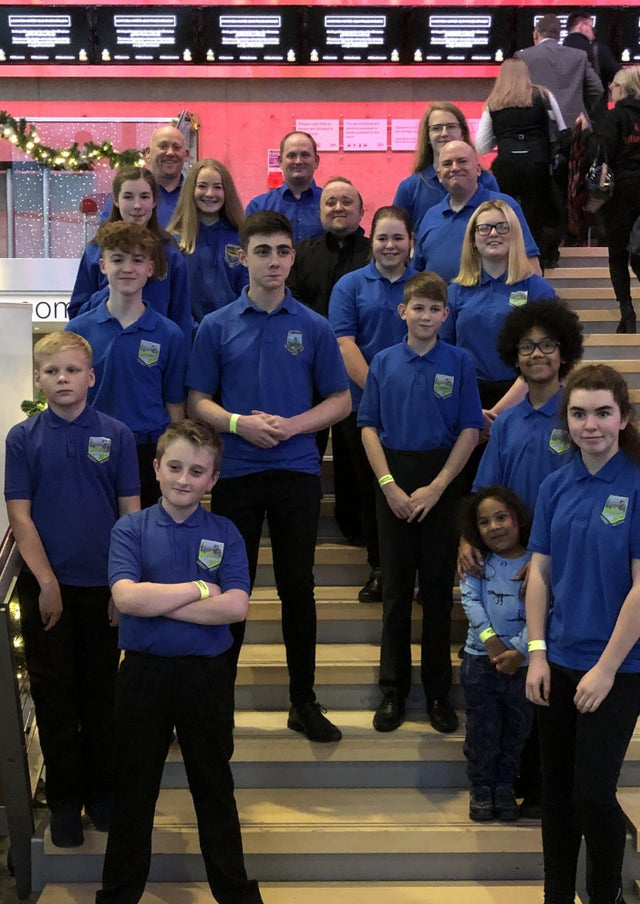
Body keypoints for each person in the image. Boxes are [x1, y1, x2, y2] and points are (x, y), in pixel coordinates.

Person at [186, 211, 351, 742]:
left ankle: (303, 702)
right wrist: (239, 424)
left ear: (292, 257)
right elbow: (197, 401)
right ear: (243, 257)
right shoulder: (216, 326)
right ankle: (216, 706)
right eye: (263, 252)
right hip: (234, 475)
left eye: (282, 251)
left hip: (296, 473)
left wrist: (291, 427)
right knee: (231, 590)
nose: (274, 262)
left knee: (297, 590)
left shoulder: (314, 326)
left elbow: (342, 400)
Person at [96, 420, 263, 904]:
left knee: (213, 786)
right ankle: (119, 893)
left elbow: (235, 607)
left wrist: (160, 600)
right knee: (134, 789)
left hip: (205, 677)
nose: (183, 479)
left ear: (212, 480)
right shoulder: (130, 528)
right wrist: (197, 589)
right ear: (156, 468)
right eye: (174, 467)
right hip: (142, 675)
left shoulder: (225, 532)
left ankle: (233, 892)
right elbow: (126, 597)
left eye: (197, 471)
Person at [5, 332, 140, 848]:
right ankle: (63, 801)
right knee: (55, 696)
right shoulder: (23, 438)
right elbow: (20, 515)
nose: (62, 379)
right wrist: (45, 582)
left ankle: (102, 794)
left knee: (102, 696)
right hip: (46, 591)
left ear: (91, 377)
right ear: (38, 379)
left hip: (104, 589)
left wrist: (121, 584)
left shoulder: (118, 434)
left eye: (71, 370)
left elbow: (131, 514)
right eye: (52, 371)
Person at [458, 299, 584, 820]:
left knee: (550, 678)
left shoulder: (576, 416)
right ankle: (498, 783)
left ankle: (542, 785)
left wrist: (545, 553)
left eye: (547, 345)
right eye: (528, 346)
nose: (537, 354)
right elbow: (484, 490)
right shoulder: (506, 424)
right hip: (507, 566)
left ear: (563, 353)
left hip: (562, 563)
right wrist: (467, 539)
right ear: (515, 354)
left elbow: (582, 491)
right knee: (506, 687)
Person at [526, 363, 640, 904]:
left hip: (619, 668)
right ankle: (555, 895)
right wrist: (537, 653)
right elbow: (541, 573)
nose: (589, 424)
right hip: (560, 661)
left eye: (602, 412)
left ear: (623, 418)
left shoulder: (637, 485)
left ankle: (604, 895)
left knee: (593, 793)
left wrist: (606, 668)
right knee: (557, 795)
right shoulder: (555, 483)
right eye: (578, 413)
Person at [359, 271, 483, 734]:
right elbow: (368, 426)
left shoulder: (460, 362)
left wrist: (438, 487)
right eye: (419, 308)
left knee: (435, 593)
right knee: (395, 593)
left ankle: (436, 693)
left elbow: (470, 429)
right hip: (393, 476)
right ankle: (393, 691)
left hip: (442, 479)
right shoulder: (383, 362)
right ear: (402, 311)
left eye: (435, 309)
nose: (426, 316)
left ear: (445, 314)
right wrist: (389, 485)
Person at [329, 205, 417, 603]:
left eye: (398, 237)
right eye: (382, 237)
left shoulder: (427, 285)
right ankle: (380, 567)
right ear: (372, 241)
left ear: (411, 242)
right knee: (373, 489)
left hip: (419, 407)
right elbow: (344, 342)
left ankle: (416, 572)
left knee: (415, 487)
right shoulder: (350, 286)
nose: (390, 245)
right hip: (364, 406)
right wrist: (382, 393)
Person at [67, 222, 187, 508]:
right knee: (96, 534)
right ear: (103, 265)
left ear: (150, 268)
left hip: (148, 450)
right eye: (118, 259)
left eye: (137, 260)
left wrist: (176, 455)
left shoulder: (169, 334)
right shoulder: (78, 330)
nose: (127, 268)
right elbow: (69, 401)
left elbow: (175, 405)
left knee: (146, 538)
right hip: (92, 445)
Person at [287, 176, 370, 544]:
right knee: (307, 448)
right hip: (306, 368)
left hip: (357, 366)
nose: (338, 207)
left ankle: (355, 530)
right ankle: (300, 525)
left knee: (355, 457)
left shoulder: (373, 253)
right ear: (320, 210)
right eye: (331, 202)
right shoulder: (301, 255)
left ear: (361, 210)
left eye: (346, 202)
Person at [458, 486, 534, 823]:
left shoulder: (537, 563)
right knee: (482, 729)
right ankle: (481, 787)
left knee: (516, 729)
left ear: (518, 518)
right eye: (485, 522)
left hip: (525, 665)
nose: (494, 527)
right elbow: (470, 600)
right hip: (480, 661)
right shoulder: (477, 563)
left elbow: (545, 610)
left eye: (501, 517)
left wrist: (519, 649)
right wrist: (490, 640)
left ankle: (505, 785)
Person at [443, 199, 555, 417]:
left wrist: (497, 412)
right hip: (468, 397)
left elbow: (550, 354)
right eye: (484, 228)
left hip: (526, 395)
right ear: (473, 239)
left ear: (515, 235)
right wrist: (465, 408)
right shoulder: (455, 292)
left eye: (502, 227)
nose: (493, 233)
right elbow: (444, 354)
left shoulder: (537, 288)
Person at [68, 166, 192, 346]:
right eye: (128, 197)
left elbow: (181, 317)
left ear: (154, 201)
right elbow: (77, 313)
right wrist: (113, 290)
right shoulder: (96, 251)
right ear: (116, 200)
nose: (137, 205)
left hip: (155, 353)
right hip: (104, 349)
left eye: (144, 196)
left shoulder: (170, 253)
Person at [475, 58, 567, 267]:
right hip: (538, 164)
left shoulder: (493, 102)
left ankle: (509, 260)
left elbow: (481, 145)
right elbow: (561, 129)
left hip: (506, 166)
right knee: (536, 213)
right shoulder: (543, 95)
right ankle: (537, 260)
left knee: (505, 213)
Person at [412, 140, 541, 285]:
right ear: (439, 175)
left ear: (478, 170)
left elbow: (530, 264)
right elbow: (417, 270)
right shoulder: (430, 216)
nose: (455, 168)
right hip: (439, 305)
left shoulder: (506, 207)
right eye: (447, 164)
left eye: (462, 161)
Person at [577, 66, 640, 333]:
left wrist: (585, 134)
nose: (610, 90)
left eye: (613, 85)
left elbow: (600, 153)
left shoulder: (614, 118)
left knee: (618, 252)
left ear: (623, 89)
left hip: (621, 194)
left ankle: (626, 313)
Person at [168, 158, 249, 326]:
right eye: (202, 186)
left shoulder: (241, 238)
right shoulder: (174, 241)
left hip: (232, 333)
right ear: (191, 189)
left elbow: (249, 292)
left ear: (227, 192)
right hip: (188, 337)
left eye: (218, 187)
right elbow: (172, 295)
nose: (210, 194)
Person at [393, 102, 499, 230]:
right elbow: (395, 234)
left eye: (451, 126)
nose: (444, 133)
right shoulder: (409, 188)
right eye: (436, 128)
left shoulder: (487, 181)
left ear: (462, 133)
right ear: (427, 136)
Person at [516, 14, 603, 128]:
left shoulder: (522, 56)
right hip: (575, 125)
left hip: (536, 127)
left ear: (536, 33)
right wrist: (579, 106)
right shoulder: (579, 56)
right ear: (558, 36)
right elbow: (597, 88)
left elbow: (514, 92)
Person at [101, 125, 189, 227]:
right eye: (163, 146)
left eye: (176, 147)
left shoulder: (195, 195)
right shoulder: (126, 195)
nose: (170, 153)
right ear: (148, 153)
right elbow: (105, 238)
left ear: (186, 155)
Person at [246, 131, 323, 243]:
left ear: (316, 161)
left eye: (305, 155)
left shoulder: (332, 205)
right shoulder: (258, 207)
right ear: (280, 162)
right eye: (291, 155)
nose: (298, 161)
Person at [564, 10, 620, 121]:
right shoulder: (597, 50)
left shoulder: (558, 52)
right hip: (594, 116)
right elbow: (619, 77)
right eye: (591, 27)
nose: (594, 32)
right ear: (582, 26)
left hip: (565, 117)